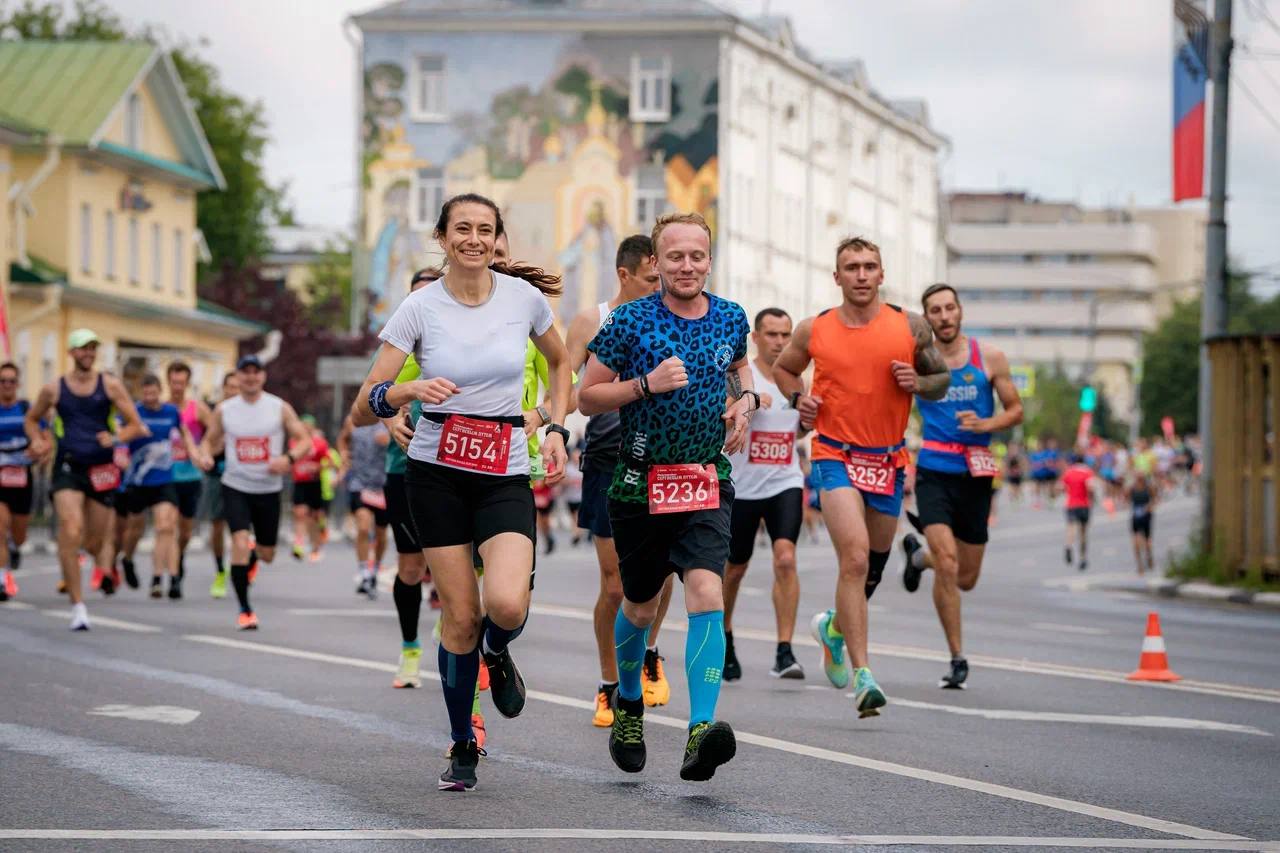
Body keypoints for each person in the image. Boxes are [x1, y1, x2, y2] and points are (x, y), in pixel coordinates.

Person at [353, 193, 571, 792]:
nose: (473, 239)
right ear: (442, 237)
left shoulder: (524, 300)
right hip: (436, 472)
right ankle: (461, 743)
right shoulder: (418, 308)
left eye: (484, 229)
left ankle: (497, 655)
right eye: (461, 229)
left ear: (496, 237)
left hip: (502, 469)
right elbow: (363, 403)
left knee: (506, 606)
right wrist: (406, 391)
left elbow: (561, 362)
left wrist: (554, 426)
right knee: (460, 617)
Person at [579, 211, 754, 782]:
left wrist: (744, 403)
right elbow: (587, 398)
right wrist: (644, 385)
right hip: (638, 483)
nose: (687, 266)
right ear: (656, 262)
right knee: (640, 605)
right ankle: (628, 698)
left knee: (706, 591)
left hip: (706, 478)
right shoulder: (629, 322)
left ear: (709, 259)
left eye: (697, 256)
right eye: (674, 256)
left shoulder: (730, 316)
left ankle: (699, 732)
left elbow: (740, 369)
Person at [772, 236, 949, 718]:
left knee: (872, 566)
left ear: (882, 273)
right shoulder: (815, 329)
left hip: (888, 460)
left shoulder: (910, 327)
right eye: (852, 267)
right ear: (837, 277)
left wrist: (920, 383)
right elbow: (784, 369)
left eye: (870, 266)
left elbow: (941, 380)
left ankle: (832, 627)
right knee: (852, 560)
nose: (862, 274)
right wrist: (797, 400)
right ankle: (864, 674)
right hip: (834, 453)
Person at [563, 233, 674, 727]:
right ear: (625, 275)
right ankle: (609, 684)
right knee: (615, 586)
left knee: (663, 571)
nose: (659, 288)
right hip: (609, 458)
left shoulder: (675, 317)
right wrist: (546, 426)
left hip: (667, 457)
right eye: (652, 279)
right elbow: (565, 386)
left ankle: (649, 651)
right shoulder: (593, 320)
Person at [898, 284, 1023, 689]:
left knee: (966, 576)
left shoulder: (989, 358)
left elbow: (1016, 409)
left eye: (950, 308)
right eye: (935, 311)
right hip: (934, 468)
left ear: (960, 312)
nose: (945, 316)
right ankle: (957, 657)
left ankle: (919, 559)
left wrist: (987, 425)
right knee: (949, 563)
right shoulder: (917, 361)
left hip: (977, 473)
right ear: (927, 319)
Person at [25, 329, 147, 629]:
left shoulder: (110, 386)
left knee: (93, 540)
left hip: (102, 469)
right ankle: (78, 606)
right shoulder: (54, 389)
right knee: (71, 527)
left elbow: (136, 425)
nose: (88, 354)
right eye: (82, 349)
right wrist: (38, 440)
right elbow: (32, 418)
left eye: (92, 348)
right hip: (68, 465)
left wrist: (116, 437)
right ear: (71, 353)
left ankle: (103, 564)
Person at [195, 355, 311, 629]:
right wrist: (205, 456)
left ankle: (253, 555)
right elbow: (208, 442)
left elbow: (305, 440)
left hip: (269, 490)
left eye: (255, 372)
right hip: (235, 485)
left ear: (262, 376)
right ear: (237, 376)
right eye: (245, 372)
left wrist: (289, 459)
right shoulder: (225, 410)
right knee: (238, 542)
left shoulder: (278, 407)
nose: (250, 377)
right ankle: (245, 610)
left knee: (267, 553)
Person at [722, 307, 807, 682]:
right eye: (771, 334)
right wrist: (751, 403)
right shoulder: (744, 376)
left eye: (786, 334)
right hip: (743, 486)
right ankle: (723, 639)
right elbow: (723, 415)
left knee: (786, 559)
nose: (779, 342)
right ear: (755, 338)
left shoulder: (798, 381)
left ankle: (784, 651)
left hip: (784, 481)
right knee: (735, 568)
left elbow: (798, 431)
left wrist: (809, 421)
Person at [120, 374, 199, 599]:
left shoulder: (171, 412)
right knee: (135, 528)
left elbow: (185, 435)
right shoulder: (133, 412)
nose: (149, 398)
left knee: (166, 527)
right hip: (138, 480)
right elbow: (120, 437)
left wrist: (195, 454)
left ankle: (167, 579)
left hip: (164, 479)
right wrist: (125, 447)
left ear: (159, 391)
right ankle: (127, 558)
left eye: (153, 393)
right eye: (145, 394)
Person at [166, 362, 211, 583]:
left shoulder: (198, 409)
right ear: (168, 381)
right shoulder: (162, 408)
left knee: (184, 532)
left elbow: (214, 432)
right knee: (169, 524)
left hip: (191, 476)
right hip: (166, 476)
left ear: (187, 384)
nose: (177, 387)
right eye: (174, 382)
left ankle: (180, 556)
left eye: (181, 383)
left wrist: (204, 452)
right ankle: (173, 575)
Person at [337, 413, 390, 598]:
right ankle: (363, 573)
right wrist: (344, 455)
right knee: (363, 527)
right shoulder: (353, 419)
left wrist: (390, 440)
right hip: (359, 483)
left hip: (384, 484)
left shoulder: (390, 417)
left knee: (381, 533)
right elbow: (343, 438)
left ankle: (374, 569)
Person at [0, 362, 40, 601]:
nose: (7, 385)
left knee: (19, 534)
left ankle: (15, 547)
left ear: (18, 384)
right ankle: (3, 581)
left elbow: (44, 441)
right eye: (2, 381)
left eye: (11, 381)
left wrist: (39, 450)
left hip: (22, 479)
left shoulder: (27, 410)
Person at [205, 371, 239, 598]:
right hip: (218, 473)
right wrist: (209, 451)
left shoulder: (250, 411)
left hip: (244, 476)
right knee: (218, 525)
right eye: (230, 387)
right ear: (224, 388)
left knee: (241, 528)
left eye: (237, 387)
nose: (233, 391)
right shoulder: (217, 412)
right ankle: (220, 569)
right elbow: (206, 442)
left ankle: (243, 565)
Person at [289, 415, 330, 562]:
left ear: (313, 426)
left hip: (314, 483)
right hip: (299, 482)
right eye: (303, 425)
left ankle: (316, 546)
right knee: (300, 513)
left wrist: (318, 466)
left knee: (314, 516)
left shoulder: (320, 443)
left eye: (308, 425)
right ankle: (299, 544)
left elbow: (329, 462)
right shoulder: (294, 442)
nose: (305, 427)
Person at [1061, 453, 1098, 571]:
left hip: (1071, 504)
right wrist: (1093, 498)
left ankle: (1068, 545)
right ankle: (1082, 558)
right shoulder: (1087, 472)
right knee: (1083, 533)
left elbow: (1061, 487)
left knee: (1071, 528)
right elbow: (1090, 487)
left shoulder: (1069, 472)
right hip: (1084, 505)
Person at [1129, 472, 1157, 575]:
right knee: (1136, 542)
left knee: (1147, 540)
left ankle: (1149, 556)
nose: (1139, 480)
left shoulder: (1148, 488)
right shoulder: (1132, 488)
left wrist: (1149, 507)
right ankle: (1140, 565)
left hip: (1146, 516)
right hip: (1136, 517)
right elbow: (1126, 497)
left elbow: (1155, 499)